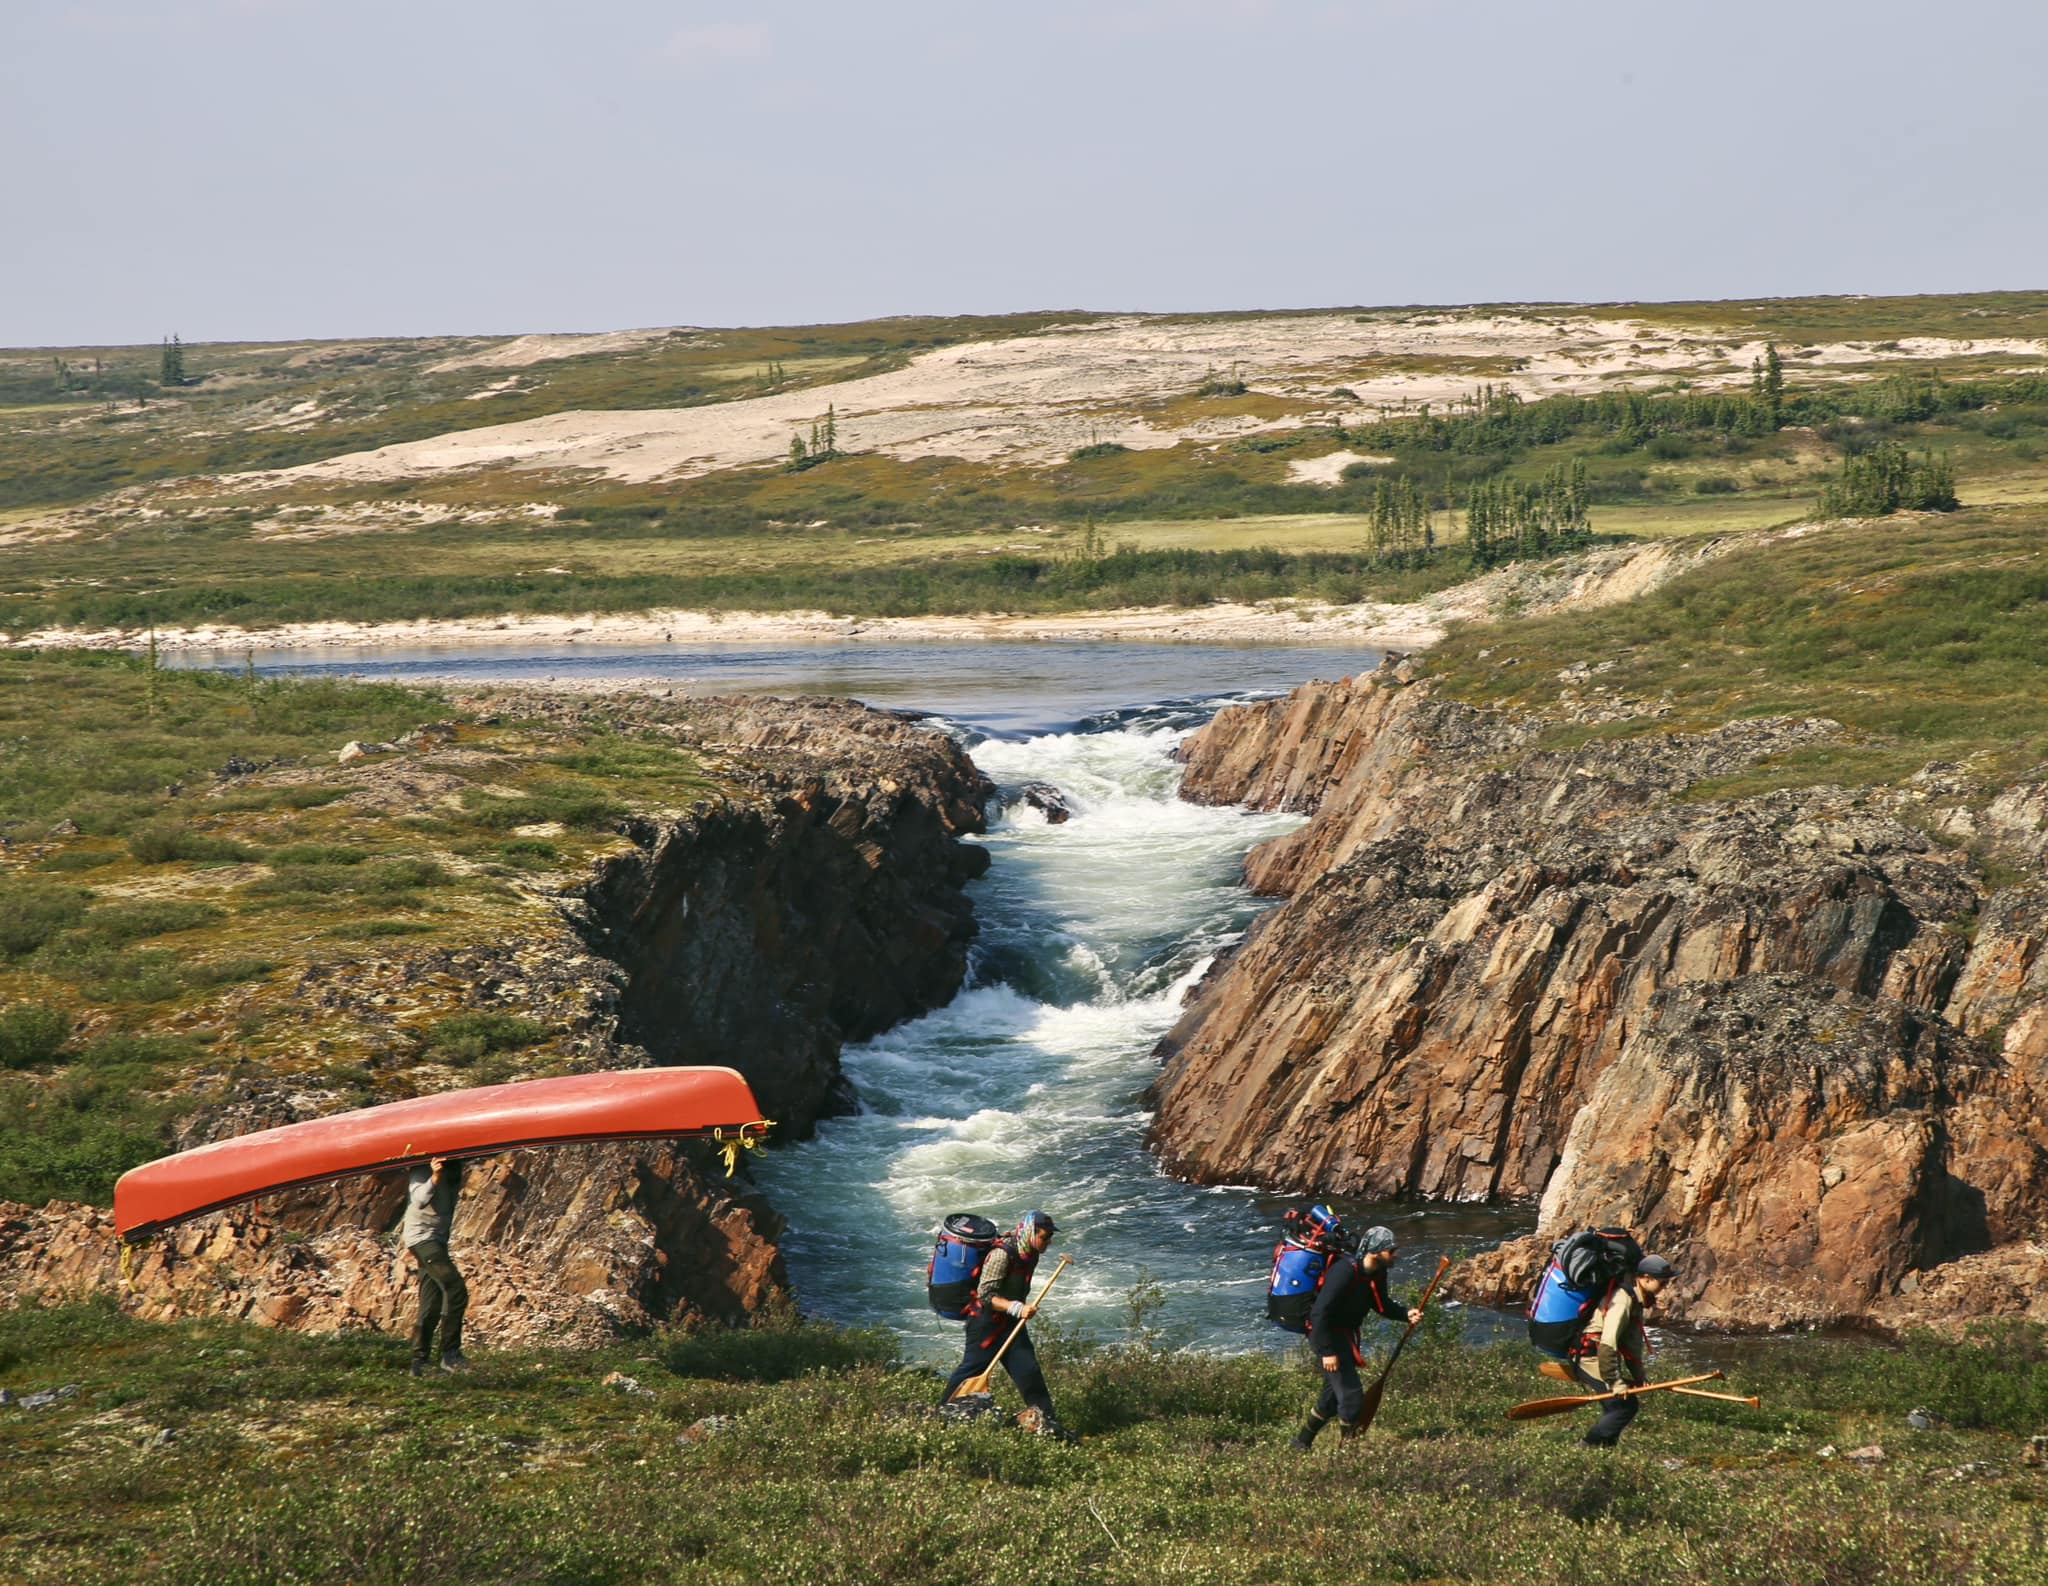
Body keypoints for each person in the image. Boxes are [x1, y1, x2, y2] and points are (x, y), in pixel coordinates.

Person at [1290, 1224, 1423, 1451]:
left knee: (1332, 1397)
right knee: (1351, 1397)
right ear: (1375, 1251)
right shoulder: (1344, 1272)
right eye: (1391, 1250)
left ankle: (1301, 1442)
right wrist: (1327, 1352)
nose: (1396, 1255)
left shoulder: (1378, 1273)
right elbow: (1319, 1313)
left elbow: (1382, 1305)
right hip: (1327, 1335)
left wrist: (1404, 1313)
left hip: (1344, 1336)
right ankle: (1349, 1457)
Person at [940, 1210, 1064, 1433]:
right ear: (1030, 1233)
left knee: (1029, 1373)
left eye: (1050, 1237)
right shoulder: (1002, 1254)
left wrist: (1017, 1311)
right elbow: (986, 1294)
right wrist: (1017, 1308)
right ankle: (940, 1417)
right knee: (970, 1371)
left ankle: (1050, 1425)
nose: (1049, 1242)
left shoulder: (1030, 1253)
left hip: (1012, 1324)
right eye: (1045, 1237)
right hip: (985, 1324)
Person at [1577, 1253, 1673, 1447]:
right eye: (1662, 1284)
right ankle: (1585, 1448)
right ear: (1646, 1279)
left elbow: (1631, 1345)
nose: (1664, 1289)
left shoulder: (1635, 1300)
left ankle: (1605, 1451)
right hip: (1590, 1356)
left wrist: (1639, 1377)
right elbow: (1607, 1344)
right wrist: (1616, 1382)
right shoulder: (1622, 1301)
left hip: (1597, 1355)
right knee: (1623, 1406)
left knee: (1620, 1406)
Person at [402, 1155, 469, 1376]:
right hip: (422, 1239)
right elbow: (419, 1198)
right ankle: (450, 1355)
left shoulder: (454, 1165)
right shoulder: (423, 1168)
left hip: (437, 1240)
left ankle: (419, 1363)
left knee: (431, 1300)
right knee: (455, 1289)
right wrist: (436, 1175)